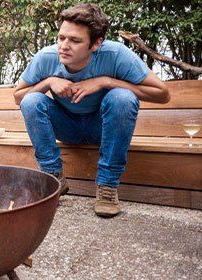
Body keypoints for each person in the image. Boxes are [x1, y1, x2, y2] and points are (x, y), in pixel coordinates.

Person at [13, 3, 169, 217]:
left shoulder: (115, 54)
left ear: (96, 43)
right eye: (61, 38)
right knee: (32, 100)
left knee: (122, 97)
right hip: (66, 126)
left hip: (102, 127)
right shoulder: (46, 58)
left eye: (75, 41)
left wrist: (105, 81)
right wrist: (48, 82)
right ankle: (52, 177)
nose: (64, 46)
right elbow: (18, 98)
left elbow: (162, 94)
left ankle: (107, 187)